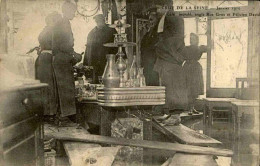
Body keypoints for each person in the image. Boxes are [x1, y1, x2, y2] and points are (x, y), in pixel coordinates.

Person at [154, 15, 188, 125]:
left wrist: (178, 60)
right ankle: (170, 114)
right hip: (167, 65)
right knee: (169, 90)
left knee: (174, 90)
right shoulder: (168, 40)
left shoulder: (173, 40)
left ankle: (175, 116)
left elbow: (174, 52)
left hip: (172, 66)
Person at [52, 1, 82, 122]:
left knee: (65, 87)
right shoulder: (63, 23)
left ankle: (66, 115)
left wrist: (72, 53)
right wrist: (74, 54)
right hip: (62, 58)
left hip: (61, 58)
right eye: (73, 11)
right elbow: (63, 45)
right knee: (66, 88)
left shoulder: (63, 22)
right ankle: (67, 117)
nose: (74, 14)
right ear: (66, 11)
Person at [35, 12, 62, 118]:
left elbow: (45, 45)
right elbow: (55, 47)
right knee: (48, 85)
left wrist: (40, 49)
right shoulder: (52, 30)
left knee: (44, 84)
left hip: (43, 58)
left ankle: (46, 111)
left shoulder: (45, 30)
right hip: (47, 59)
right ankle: (49, 112)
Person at [83, 14, 116, 83]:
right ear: (95, 21)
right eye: (97, 21)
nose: (99, 22)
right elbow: (88, 50)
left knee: (109, 82)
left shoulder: (111, 31)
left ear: (104, 20)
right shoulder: (92, 33)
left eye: (101, 20)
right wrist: (86, 65)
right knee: (96, 83)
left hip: (108, 63)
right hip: (95, 64)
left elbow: (117, 45)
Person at [182, 33, 207, 115]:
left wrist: (208, 35)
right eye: (190, 39)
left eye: (193, 39)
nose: (191, 40)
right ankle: (189, 108)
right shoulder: (186, 48)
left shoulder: (200, 48)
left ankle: (192, 108)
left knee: (195, 90)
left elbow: (209, 48)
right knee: (189, 89)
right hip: (188, 69)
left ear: (197, 40)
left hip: (195, 69)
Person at [140, 10, 160, 86]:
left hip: (154, 64)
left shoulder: (158, 33)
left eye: (152, 19)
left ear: (157, 20)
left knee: (154, 84)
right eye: (149, 20)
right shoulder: (148, 33)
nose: (150, 22)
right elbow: (142, 46)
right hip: (147, 64)